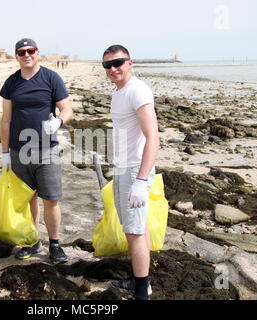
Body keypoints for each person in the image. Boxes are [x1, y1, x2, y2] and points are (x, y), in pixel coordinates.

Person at [0, 38, 73, 264]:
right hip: (19, 151)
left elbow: (67, 109)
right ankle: (32, 241)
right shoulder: (11, 83)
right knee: (27, 198)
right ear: (16, 57)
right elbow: (5, 119)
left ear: (38, 53)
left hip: (47, 150)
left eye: (30, 51)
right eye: (21, 52)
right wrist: (4, 153)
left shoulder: (51, 78)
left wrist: (58, 122)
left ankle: (54, 244)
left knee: (50, 199)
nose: (26, 55)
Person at [102, 45, 160, 300]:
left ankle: (141, 294)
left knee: (134, 233)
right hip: (123, 167)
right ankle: (141, 281)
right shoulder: (119, 92)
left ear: (130, 62)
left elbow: (153, 138)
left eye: (118, 63)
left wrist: (141, 179)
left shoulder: (138, 90)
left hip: (135, 169)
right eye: (107, 65)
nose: (113, 69)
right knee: (138, 227)